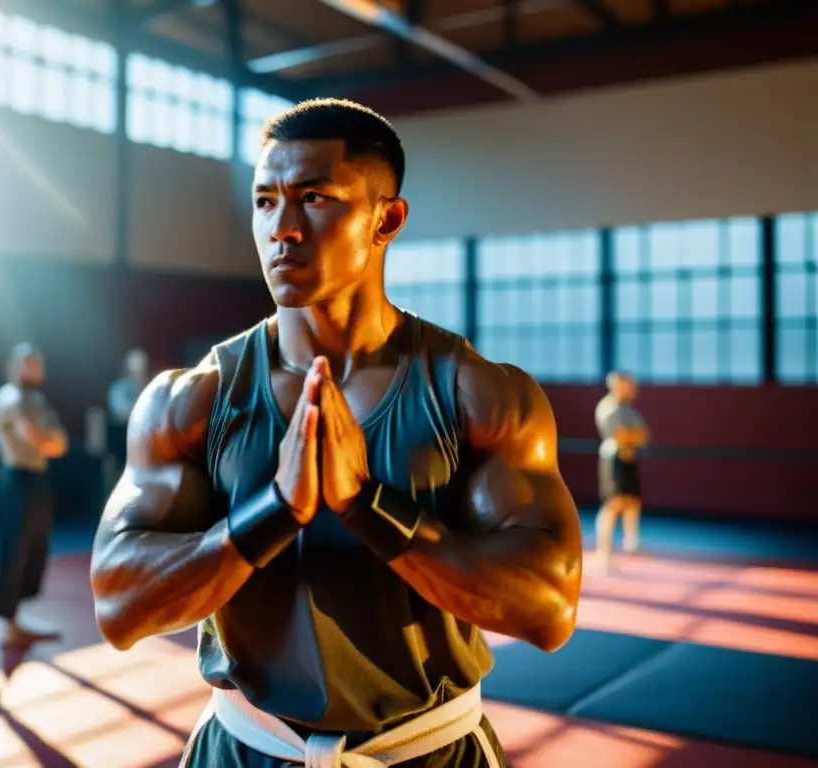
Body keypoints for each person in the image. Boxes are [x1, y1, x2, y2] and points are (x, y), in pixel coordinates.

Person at [90, 99, 583, 767]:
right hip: (245, 748)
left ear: (387, 219)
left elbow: (548, 608)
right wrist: (274, 512)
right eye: (265, 202)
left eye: (314, 198)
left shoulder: (477, 393)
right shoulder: (193, 398)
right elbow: (119, 606)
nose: (282, 229)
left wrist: (369, 506)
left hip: (426, 751)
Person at [0, 343, 69, 647]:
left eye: (38, 362)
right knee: (14, 548)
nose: (36, 367)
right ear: (14, 365)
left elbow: (60, 443)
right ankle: (9, 627)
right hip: (17, 477)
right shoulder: (9, 398)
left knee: (36, 547)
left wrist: (47, 439)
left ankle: (18, 617)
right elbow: (37, 437)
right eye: (30, 362)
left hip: (36, 478)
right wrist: (47, 439)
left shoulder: (37, 399)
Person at [593, 370, 649, 572]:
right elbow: (622, 436)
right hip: (613, 460)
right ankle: (604, 555)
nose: (631, 389)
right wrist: (630, 435)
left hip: (629, 459)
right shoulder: (607, 408)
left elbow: (642, 436)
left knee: (632, 501)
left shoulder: (628, 410)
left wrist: (632, 436)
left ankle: (631, 542)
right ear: (617, 385)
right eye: (627, 385)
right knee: (612, 505)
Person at [106, 348, 150, 473]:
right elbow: (122, 413)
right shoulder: (118, 389)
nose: (139, 370)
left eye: (142, 365)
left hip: (148, 446)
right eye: (135, 365)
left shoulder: (151, 386)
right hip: (125, 443)